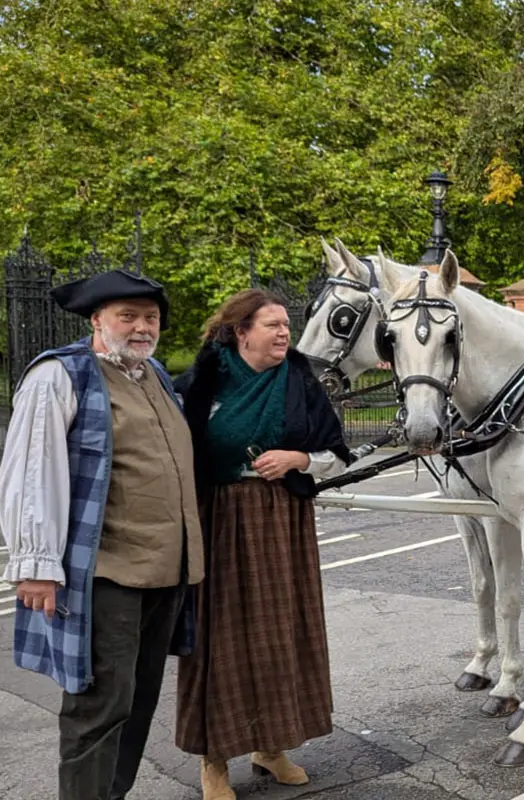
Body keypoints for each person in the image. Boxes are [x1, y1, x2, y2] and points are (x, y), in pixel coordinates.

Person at [0, 269, 205, 800]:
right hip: (106, 571)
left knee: (137, 701)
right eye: (128, 317)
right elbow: (31, 469)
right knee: (98, 706)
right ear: (97, 320)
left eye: (150, 318)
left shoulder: (154, 373)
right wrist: (36, 565)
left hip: (167, 571)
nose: (141, 328)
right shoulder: (61, 375)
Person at [171, 288, 353, 800]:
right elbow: (176, 454)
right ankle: (215, 760)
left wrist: (297, 459)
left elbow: (337, 454)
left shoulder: (299, 380)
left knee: (281, 637)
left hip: (282, 522)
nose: (283, 333)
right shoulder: (202, 384)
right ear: (239, 331)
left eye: (285, 325)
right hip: (219, 520)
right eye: (271, 325)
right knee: (220, 640)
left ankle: (270, 748)